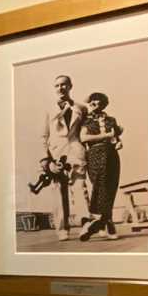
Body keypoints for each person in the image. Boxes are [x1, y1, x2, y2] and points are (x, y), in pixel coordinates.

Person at [33, 75, 81, 240]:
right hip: (56, 154)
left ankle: (87, 225)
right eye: (57, 85)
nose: (60, 88)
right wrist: (46, 161)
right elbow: (42, 136)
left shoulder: (80, 108)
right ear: (54, 88)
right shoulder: (48, 109)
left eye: (64, 85)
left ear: (70, 86)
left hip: (75, 151)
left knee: (80, 187)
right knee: (59, 190)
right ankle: (62, 229)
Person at [78, 92, 123, 241]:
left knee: (111, 186)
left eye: (98, 103)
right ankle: (102, 222)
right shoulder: (86, 120)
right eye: (92, 103)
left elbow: (116, 137)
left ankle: (100, 223)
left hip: (111, 154)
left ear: (104, 104)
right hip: (95, 154)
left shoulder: (111, 120)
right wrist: (105, 136)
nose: (94, 105)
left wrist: (118, 142)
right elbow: (83, 137)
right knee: (100, 185)